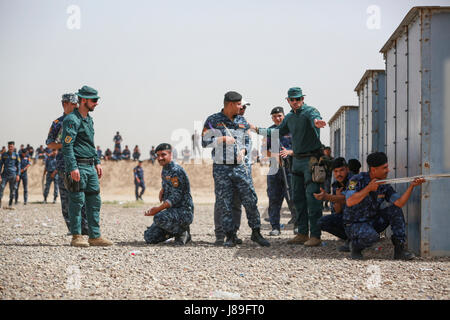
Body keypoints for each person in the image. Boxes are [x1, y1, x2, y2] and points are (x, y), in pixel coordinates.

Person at [252, 87, 327, 247]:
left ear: (303, 99)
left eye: (298, 99)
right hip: (296, 161)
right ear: (288, 101)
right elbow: (277, 132)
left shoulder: (309, 111)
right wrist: (257, 129)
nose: (295, 102)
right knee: (297, 198)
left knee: (312, 197)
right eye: (292, 100)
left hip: (311, 160)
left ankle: (315, 235)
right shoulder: (290, 117)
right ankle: (302, 233)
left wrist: (317, 122)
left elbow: (315, 117)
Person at [202, 91, 269, 247]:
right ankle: (230, 236)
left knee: (250, 199)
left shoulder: (242, 120)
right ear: (230, 104)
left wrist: (244, 151)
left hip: (240, 167)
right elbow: (204, 141)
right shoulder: (213, 120)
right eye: (239, 104)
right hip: (221, 168)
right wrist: (222, 139)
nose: (241, 106)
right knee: (224, 202)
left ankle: (256, 232)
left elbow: (247, 139)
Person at [344, 152, 425, 260]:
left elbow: (399, 203)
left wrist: (412, 186)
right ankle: (355, 247)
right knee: (372, 237)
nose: (388, 170)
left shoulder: (384, 184)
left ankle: (400, 249)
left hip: (372, 221)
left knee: (394, 210)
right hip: (354, 224)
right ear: (373, 170)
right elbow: (349, 201)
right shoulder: (356, 180)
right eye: (384, 168)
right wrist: (368, 188)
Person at [61, 85, 112, 247]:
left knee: (94, 201)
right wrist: (72, 167)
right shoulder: (71, 120)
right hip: (78, 166)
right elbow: (67, 146)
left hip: (90, 166)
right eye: (94, 100)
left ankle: (94, 236)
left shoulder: (89, 119)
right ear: (83, 100)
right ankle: (77, 236)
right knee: (76, 201)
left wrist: (97, 162)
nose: (96, 103)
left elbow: (90, 144)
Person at [46, 93, 89, 235]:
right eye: (73, 104)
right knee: (66, 200)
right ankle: (73, 230)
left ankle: (86, 228)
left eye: (77, 103)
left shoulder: (81, 120)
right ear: (65, 104)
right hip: (63, 166)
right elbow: (50, 144)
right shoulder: (57, 123)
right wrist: (65, 145)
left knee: (82, 198)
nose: (76, 106)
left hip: (80, 165)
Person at [144, 143, 193, 245]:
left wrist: (157, 209)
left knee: (159, 217)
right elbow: (169, 184)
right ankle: (173, 232)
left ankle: (182, 232)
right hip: (172, 213)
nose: (160, 158)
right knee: (149, 237)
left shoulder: (176, 170)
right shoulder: (165, 169)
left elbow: (176, 197)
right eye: (158, 155)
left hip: (183, 212)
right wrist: (162, 190)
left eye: (163, 155)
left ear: (171, 155)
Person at [262, 106, 295, 236]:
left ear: (284, 116)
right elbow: (265, 150)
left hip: (290, 168)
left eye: (279, 116)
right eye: (275, 116)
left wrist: (289, 152)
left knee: (293, 198)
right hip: (275, 169)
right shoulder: (270, 131)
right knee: (274, 199)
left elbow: (299, 149)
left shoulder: (292, 129)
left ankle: (298, 226)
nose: (277, 118)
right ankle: (275, 227)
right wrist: (273, 155)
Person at [315, 157, 351, 252]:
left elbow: (350, 200)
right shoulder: (336, 185)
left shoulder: (353, 181)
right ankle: (349, 238)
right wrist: (337, 199)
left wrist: (328, 197)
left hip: (360, 217)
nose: (338, 174)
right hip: (346, 217)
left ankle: (356, 238)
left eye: (341, 170)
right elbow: (337, 210)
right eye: (336, 171)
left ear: (347, 169)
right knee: (322, 222)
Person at [0, 141, 20, 209]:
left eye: (11, 146)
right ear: (8, 147)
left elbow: (19, 166)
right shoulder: (4, 155)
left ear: (13, 147)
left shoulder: (16, 155)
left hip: (13, 175)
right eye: (9, 146)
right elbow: (0, 165)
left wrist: (18, 175)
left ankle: (10, 203)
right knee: (1, 188)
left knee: (12, 190)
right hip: (4, 175)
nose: (10, 148)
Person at [321, 146, 334, 211]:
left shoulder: (331, 158)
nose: (328, 152)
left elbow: (332, 163)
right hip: (321, 177)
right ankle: (321, 205)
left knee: (327, 190)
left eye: (329, 151)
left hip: (328, 176)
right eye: (326, 151)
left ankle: (326, 204)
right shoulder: (322, 158)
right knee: (321, 190)